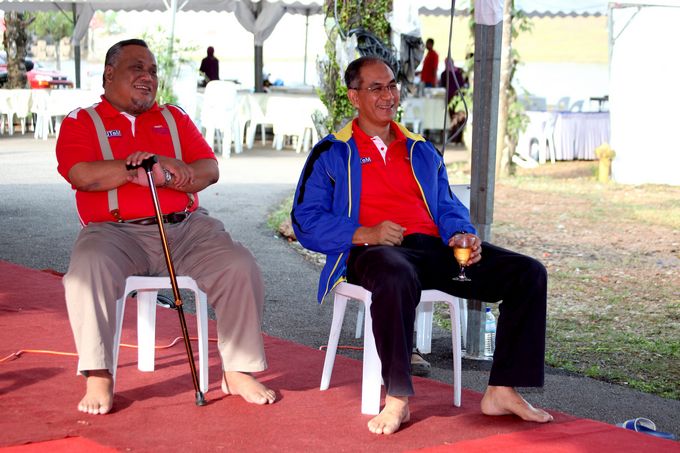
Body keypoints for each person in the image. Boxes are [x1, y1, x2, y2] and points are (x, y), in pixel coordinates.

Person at [291, 56, 553, 435]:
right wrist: (366, 232)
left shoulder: (421, 149)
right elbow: (305, 219)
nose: (388, 95)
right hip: (372, 251)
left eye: (392, 86)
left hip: (432, 250)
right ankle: (398, 396)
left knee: (527, 273)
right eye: (376, 88)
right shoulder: (332, 152)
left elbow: (446, 204)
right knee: (395, 274)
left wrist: (461, 233)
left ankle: (502, 390)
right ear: (354, 97)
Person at [56, 39, 275, 415]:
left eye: (153, 71)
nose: (148, 77)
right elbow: (82, 175)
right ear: (109, 74)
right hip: (114, 233)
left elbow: (209, 169)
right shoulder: (83, 121)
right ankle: (99, 374)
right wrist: (137, 168)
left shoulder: (173, 117)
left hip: (186, 229)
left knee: (239, 264)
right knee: (86, 270)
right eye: (137, 68)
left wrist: (167, 173)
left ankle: (237, 370)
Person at [439, 57, 468, 143]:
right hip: (453, 99)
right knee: (454, 117)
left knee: (457, 117)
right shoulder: (447, 74)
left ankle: (457, 137)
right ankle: (456, 137)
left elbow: (462, 85)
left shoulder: (455, 73)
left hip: (456, 99)